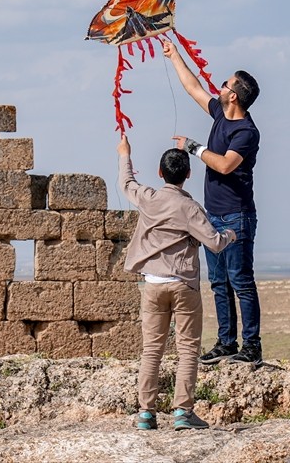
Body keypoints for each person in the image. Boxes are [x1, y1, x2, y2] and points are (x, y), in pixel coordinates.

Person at [118, 134, 237, 431]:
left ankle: (146, 413)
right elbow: (215, 243)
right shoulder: (191, 208)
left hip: (154, 285)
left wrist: (125, 153)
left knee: (152, 350)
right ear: (188, 174)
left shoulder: (148, 198)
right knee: (187, 349)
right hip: (183, 285)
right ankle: (183, 413)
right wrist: (232, 235)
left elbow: (126, 183)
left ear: (160, 173)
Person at [163, 39, 263, 365]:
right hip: (214, 216)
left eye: (225, 83)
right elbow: (193, 87)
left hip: (237, 217)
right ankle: (226, 342)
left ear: (234, 95)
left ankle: (252, 347)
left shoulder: (246, 131)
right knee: (219, 282)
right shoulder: (220, 114)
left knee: (241, 281)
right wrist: (174, 54)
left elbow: (224, 165)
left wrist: (192, 146)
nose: (219, 86)